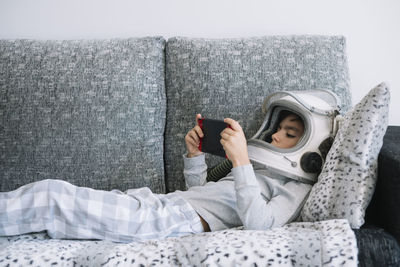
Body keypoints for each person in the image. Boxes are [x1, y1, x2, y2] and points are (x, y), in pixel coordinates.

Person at [0, 111, 310, 243]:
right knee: (47, 215)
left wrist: (241, 161)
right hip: (163, 204)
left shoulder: (294, 185)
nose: (275, 136)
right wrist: (195, 156)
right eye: (278, 128)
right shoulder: (257, 170)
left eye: (289, 133)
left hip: (172, 220)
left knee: (51, 196)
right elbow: (204, 197)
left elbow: (261, 224)